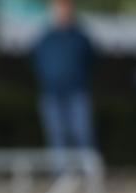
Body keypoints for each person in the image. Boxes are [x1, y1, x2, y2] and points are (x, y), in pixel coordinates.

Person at [30, 0, 96, 163]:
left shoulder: (80, 37)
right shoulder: (45, 38)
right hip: (51, 93)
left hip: (76, 92)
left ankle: (87, 176)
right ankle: (63, 178)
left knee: (82, 134)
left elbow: (92, 61)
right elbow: (36, 62)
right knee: (56, 137)